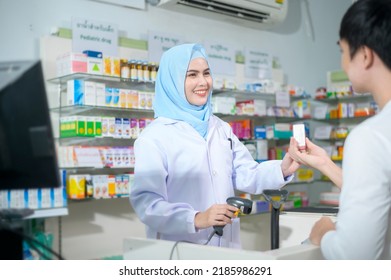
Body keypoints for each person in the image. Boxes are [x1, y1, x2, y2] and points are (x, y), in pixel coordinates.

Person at [130, 43, 300, 248]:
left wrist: (282, 169)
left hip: (226, 245)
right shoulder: (155, 137)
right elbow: (147, 204)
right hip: (180, 250)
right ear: (172, 81)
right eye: (191, 75)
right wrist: (197, 218)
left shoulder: (221, 128)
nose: (203, 82)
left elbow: (247, 173)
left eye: (206, 73)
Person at [289, 0, 391, 259]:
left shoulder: (370, 137)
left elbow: (354, 256)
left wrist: (323, 232)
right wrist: (325, 163)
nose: (343, 63)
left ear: (365, 55)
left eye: (342, 50)